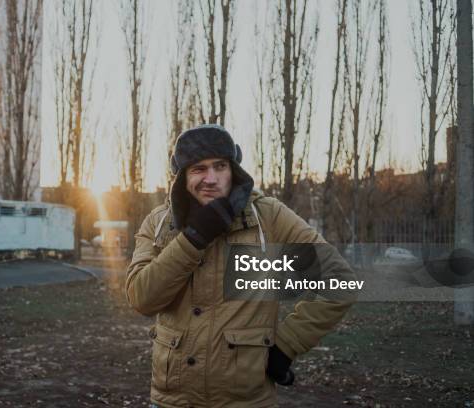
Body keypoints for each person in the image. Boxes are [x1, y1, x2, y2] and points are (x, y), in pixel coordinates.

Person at [126, 125, 356, 408]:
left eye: (220, 166)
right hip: (171, 400)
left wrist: (286, 346)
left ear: (233, 170)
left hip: (246, 401)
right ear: (181, 177)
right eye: (198, 169)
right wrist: (193, 238)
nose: (211, 178)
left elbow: (339, 280)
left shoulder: (268, 217)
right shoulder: (160, 222)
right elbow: (142, 299)